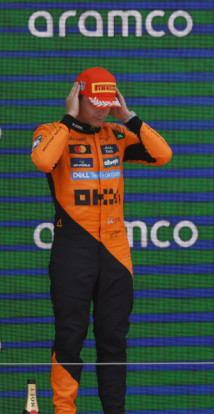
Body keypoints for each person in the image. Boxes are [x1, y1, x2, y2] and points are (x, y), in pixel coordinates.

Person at [31, 67, 172, 414]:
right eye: (96, 102)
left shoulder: (118, 134)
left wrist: (130, 118)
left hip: (115, 251)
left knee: (113, 339)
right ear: (77, 97)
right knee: (70, 335)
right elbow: (43, 161)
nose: (103, 109)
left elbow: (162, 154)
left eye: (109, 102)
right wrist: (68, 119)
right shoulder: (51, 132)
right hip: (73, 249)